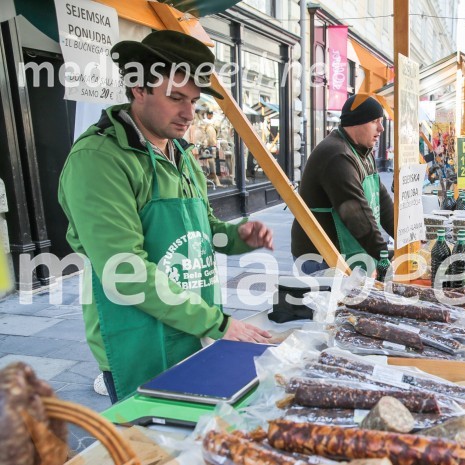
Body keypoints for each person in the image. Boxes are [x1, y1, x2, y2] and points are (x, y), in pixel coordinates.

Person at [58, 31, 273, 403]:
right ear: (138, 88)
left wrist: (237, 237)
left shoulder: (184, 156)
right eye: (176, 98)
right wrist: (218, 323)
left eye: (193, 100)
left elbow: (205, 231)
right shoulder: (98, 160)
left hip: (194, 327)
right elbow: (125, 270)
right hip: (139, 338)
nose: (189, 113)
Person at [290, 94, 394, 274]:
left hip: (343, 252)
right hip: (320, 257)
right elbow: (356, 214)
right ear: (356, 122)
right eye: (374, 121)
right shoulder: (337, 156)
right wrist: (383, 255)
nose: (381, 128)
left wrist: (406, 238)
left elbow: (382, 200)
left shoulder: (364, 151)